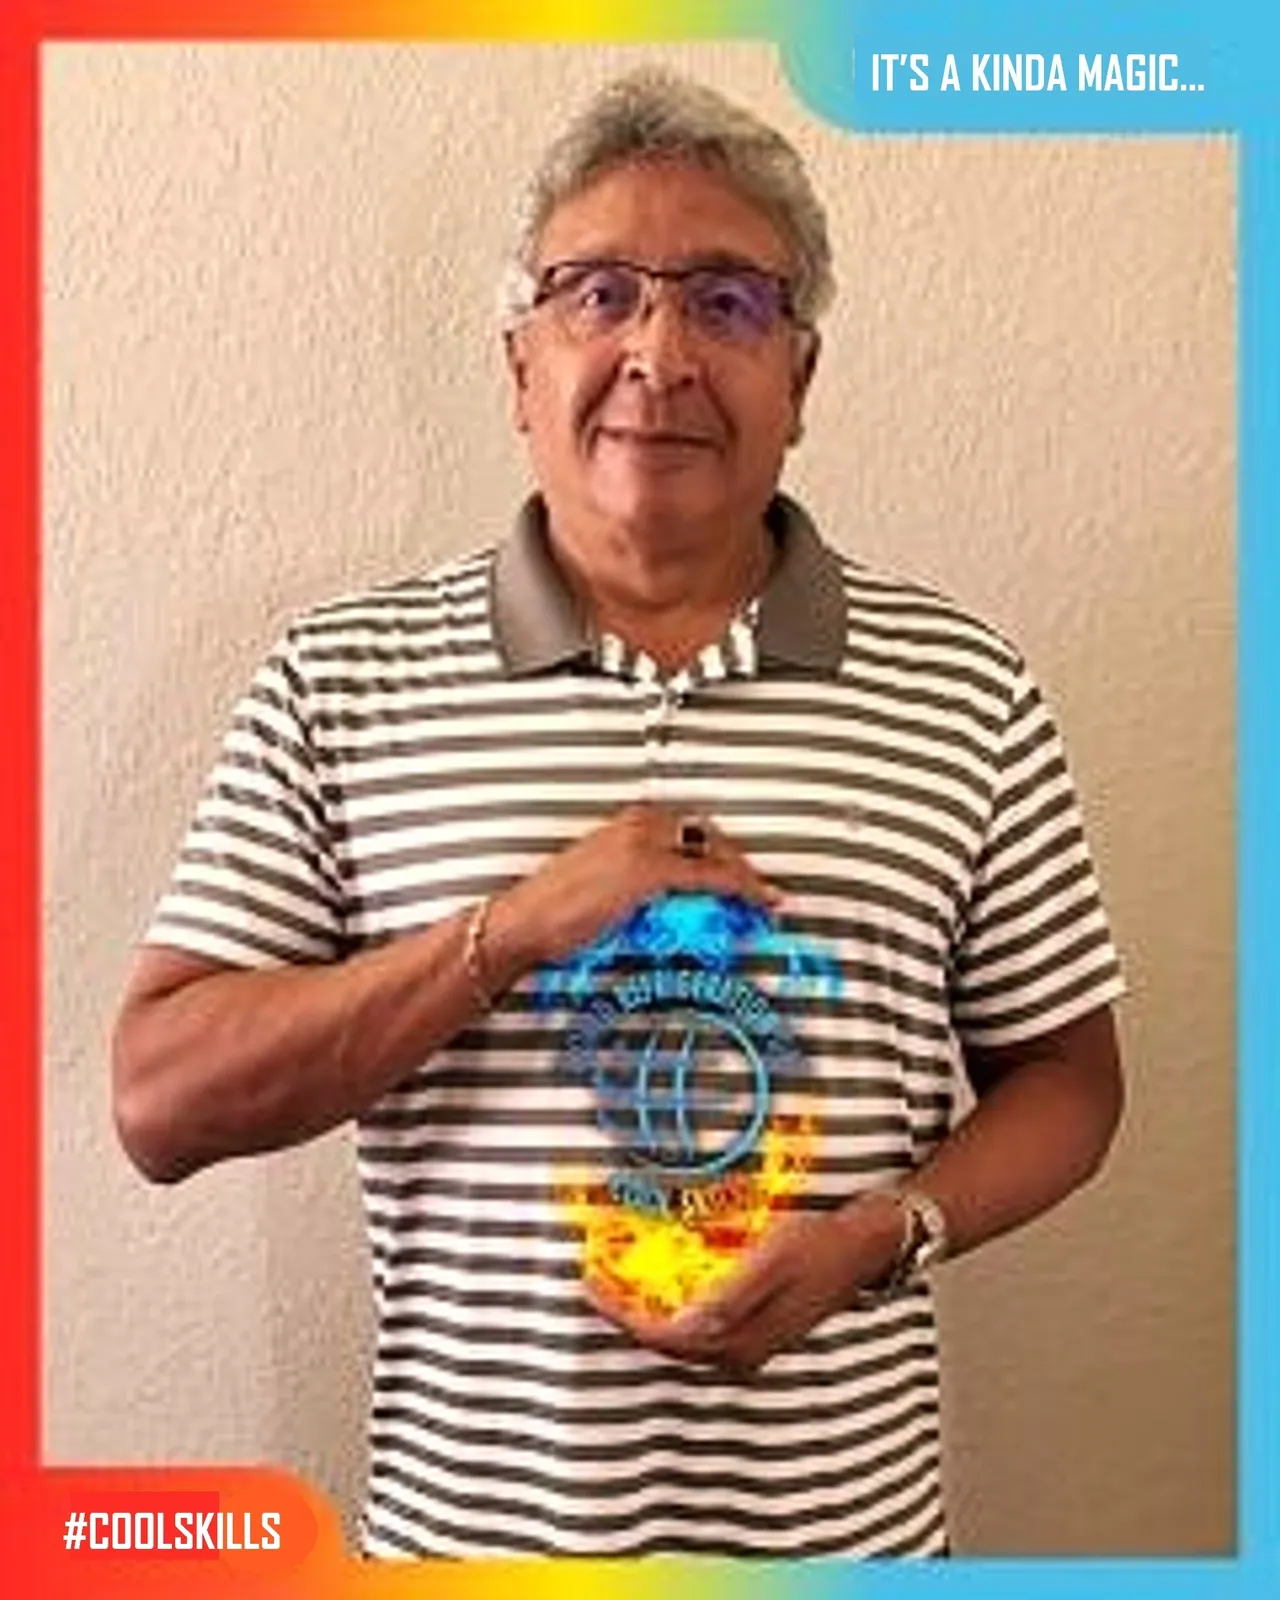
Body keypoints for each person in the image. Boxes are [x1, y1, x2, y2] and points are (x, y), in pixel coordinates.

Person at [112, 68, 1125, 1560]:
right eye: (599, 294)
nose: (657, 351)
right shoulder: (342, 675)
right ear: (518, 365)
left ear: (801, 376)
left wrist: (881, 1238)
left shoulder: (963, 685)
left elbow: (1072, 1084)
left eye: (726, 301)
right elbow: (159, 1104)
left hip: (844, 1550)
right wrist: (510, 931)